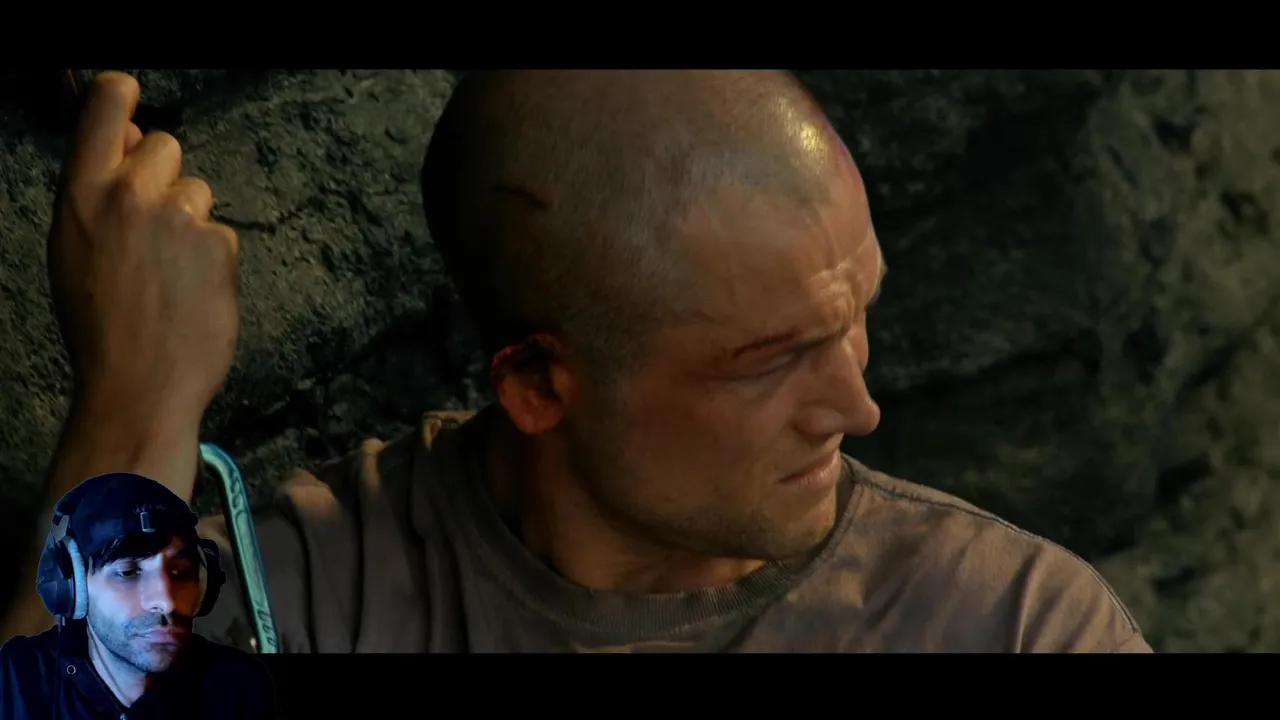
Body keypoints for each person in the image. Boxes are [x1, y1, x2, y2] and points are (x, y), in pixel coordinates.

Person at [0, 69, 1152, 653]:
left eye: (853, 318)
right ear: (537, 385)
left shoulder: (1005, 624)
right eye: (770, 360)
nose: (855, 404)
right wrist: (136, 406)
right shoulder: (316, 598)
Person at [0, 473, 276, 718]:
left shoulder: (238, 687)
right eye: (128, 572)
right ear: (71, 587)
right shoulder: (18, 679)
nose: (166, 601)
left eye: (180, 571)